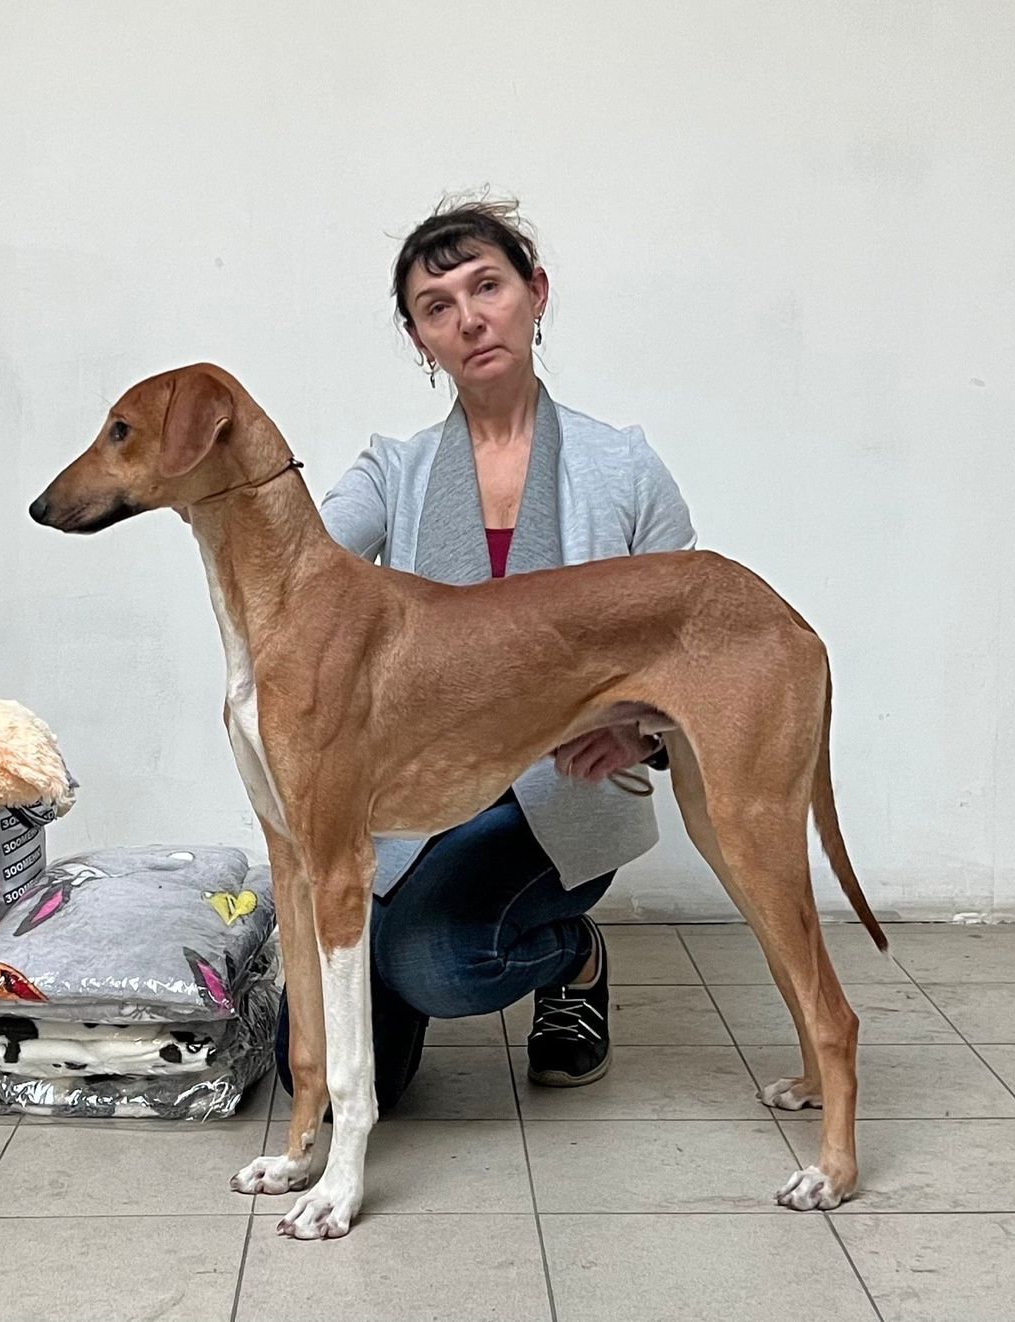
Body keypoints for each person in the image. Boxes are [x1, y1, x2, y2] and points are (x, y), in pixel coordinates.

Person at [274, 197, 697, 1105]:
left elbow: (687, 642)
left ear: (535, 294)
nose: (469, 318)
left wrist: (642, 735)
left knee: (437, 962)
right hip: (418, 797)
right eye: (437, 307)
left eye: (488, 287)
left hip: (559, 795)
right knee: (301, 1060)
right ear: (419, 340)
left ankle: (572, 960)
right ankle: (412, 952)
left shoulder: (625, 467)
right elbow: (302, 566)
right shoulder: (393, 470)